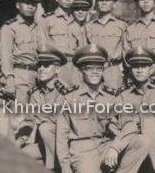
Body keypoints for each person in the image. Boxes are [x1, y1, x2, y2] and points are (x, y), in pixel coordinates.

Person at [56, 44, 149, 173]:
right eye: (90, 68)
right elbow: (61, 138)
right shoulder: (69, 98)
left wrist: (115, 147)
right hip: (83, 151)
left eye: (99, 68)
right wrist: (66, 168)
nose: (95, 72)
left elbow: (131, 124)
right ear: (81, 70)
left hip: (107, 146)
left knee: (142, 141)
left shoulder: (112, 96)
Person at [0, 0, 44, 145]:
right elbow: (6, 56)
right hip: (18, 76)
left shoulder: (38, 27)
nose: (30, 7)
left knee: (30, 121)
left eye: (34, 4)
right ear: (18, 5)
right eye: (27, 3)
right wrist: (9, 79)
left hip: (36, 77)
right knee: (16, 122)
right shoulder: (9, 27)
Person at [29, 44, 71, 170]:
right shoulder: (36, 92)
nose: (41, 69)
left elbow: (62, 121)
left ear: (57, 69)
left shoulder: (65, 91)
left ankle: (55, 168)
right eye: (39, 65)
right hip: (46, 144)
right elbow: (30, 118)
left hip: (66, 144)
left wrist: (41, 118)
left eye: (46, 65)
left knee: (46, 127)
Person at [41, 0, 86, 85]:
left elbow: (82, 50)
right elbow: (42, 46)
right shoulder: (47, 20)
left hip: (75, 70)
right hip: (55, 67)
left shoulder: (77, 24)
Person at [85, 0, 127, 89]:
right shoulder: (88, 26)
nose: (103, 2)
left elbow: (126, 52)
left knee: (114, 103)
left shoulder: (122, 26)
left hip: (113, 70)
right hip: (92, 71)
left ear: (113, 3)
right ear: (96, 2)